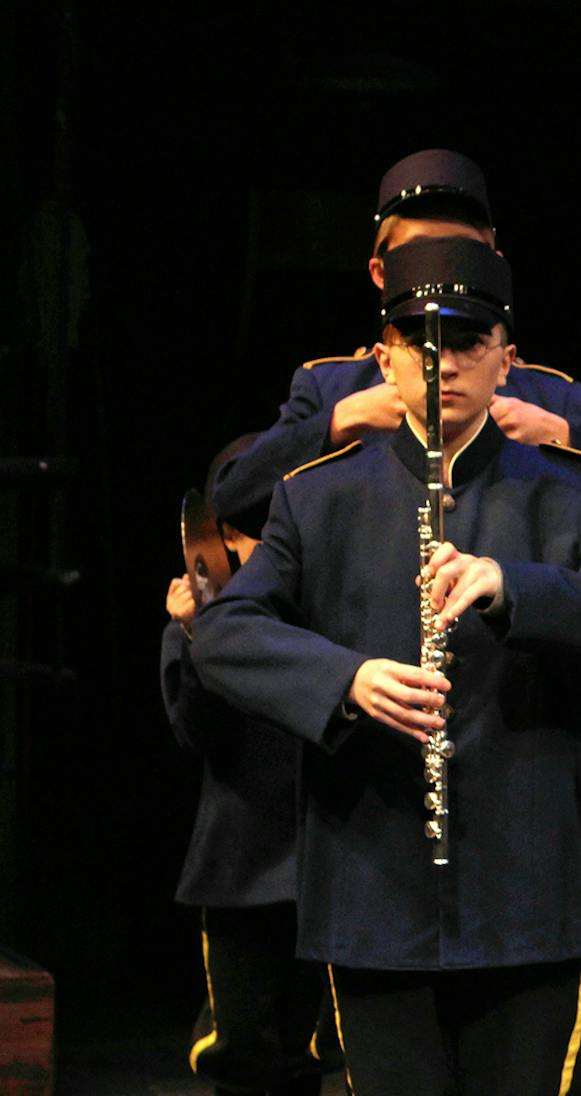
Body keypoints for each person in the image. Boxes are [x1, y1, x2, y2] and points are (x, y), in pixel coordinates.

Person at [191, 236, 581, 1092]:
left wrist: (512, 583)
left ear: (506, 360)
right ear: (384, 358)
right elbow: (227, 636)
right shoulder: (316, 492)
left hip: (533, 889)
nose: (441, 361)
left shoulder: (576, 488)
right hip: (372, 887)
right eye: (418, 340)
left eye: (466, 342)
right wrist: (345, 679)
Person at [212, 148, 581, 555]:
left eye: (461, 249)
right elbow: (237, 503)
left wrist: (565, 438)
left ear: (495, 265)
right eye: (418, 252)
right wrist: (337, 423)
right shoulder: (331, 386)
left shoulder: (549, 395)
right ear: (380, 273)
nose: (440, 269)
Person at [163, 438, 339, 1096]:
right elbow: (196, 734)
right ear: (228, 536)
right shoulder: (204, 622)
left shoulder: (330, 609)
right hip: (241, 867)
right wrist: (195, 639)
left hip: (327, 858)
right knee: (242, 1048)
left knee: (312, 1049)